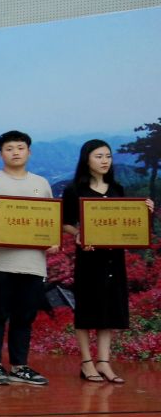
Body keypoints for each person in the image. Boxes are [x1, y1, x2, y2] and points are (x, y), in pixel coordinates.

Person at [61, 139, 155, 384]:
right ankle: (86, 363)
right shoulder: (74, 190)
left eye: (108, 156)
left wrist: (144, 210)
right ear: (87, 160)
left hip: (114, 257)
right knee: (87, 309)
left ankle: (103, 361)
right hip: (89, 258)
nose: (104, 161)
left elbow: (125, 220)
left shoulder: (117, 188)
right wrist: (78, 235)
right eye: (98, 156)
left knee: (110, 308)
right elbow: (65, 223)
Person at [0, 130, 54, 386]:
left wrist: (52, 240)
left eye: (20, 148)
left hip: (32, 263)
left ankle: (20, 366)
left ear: (29, 152)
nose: (15, 152)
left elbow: (49, 220)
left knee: (25, 316)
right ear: (0, 154)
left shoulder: (41, 183)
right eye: (9, 148)